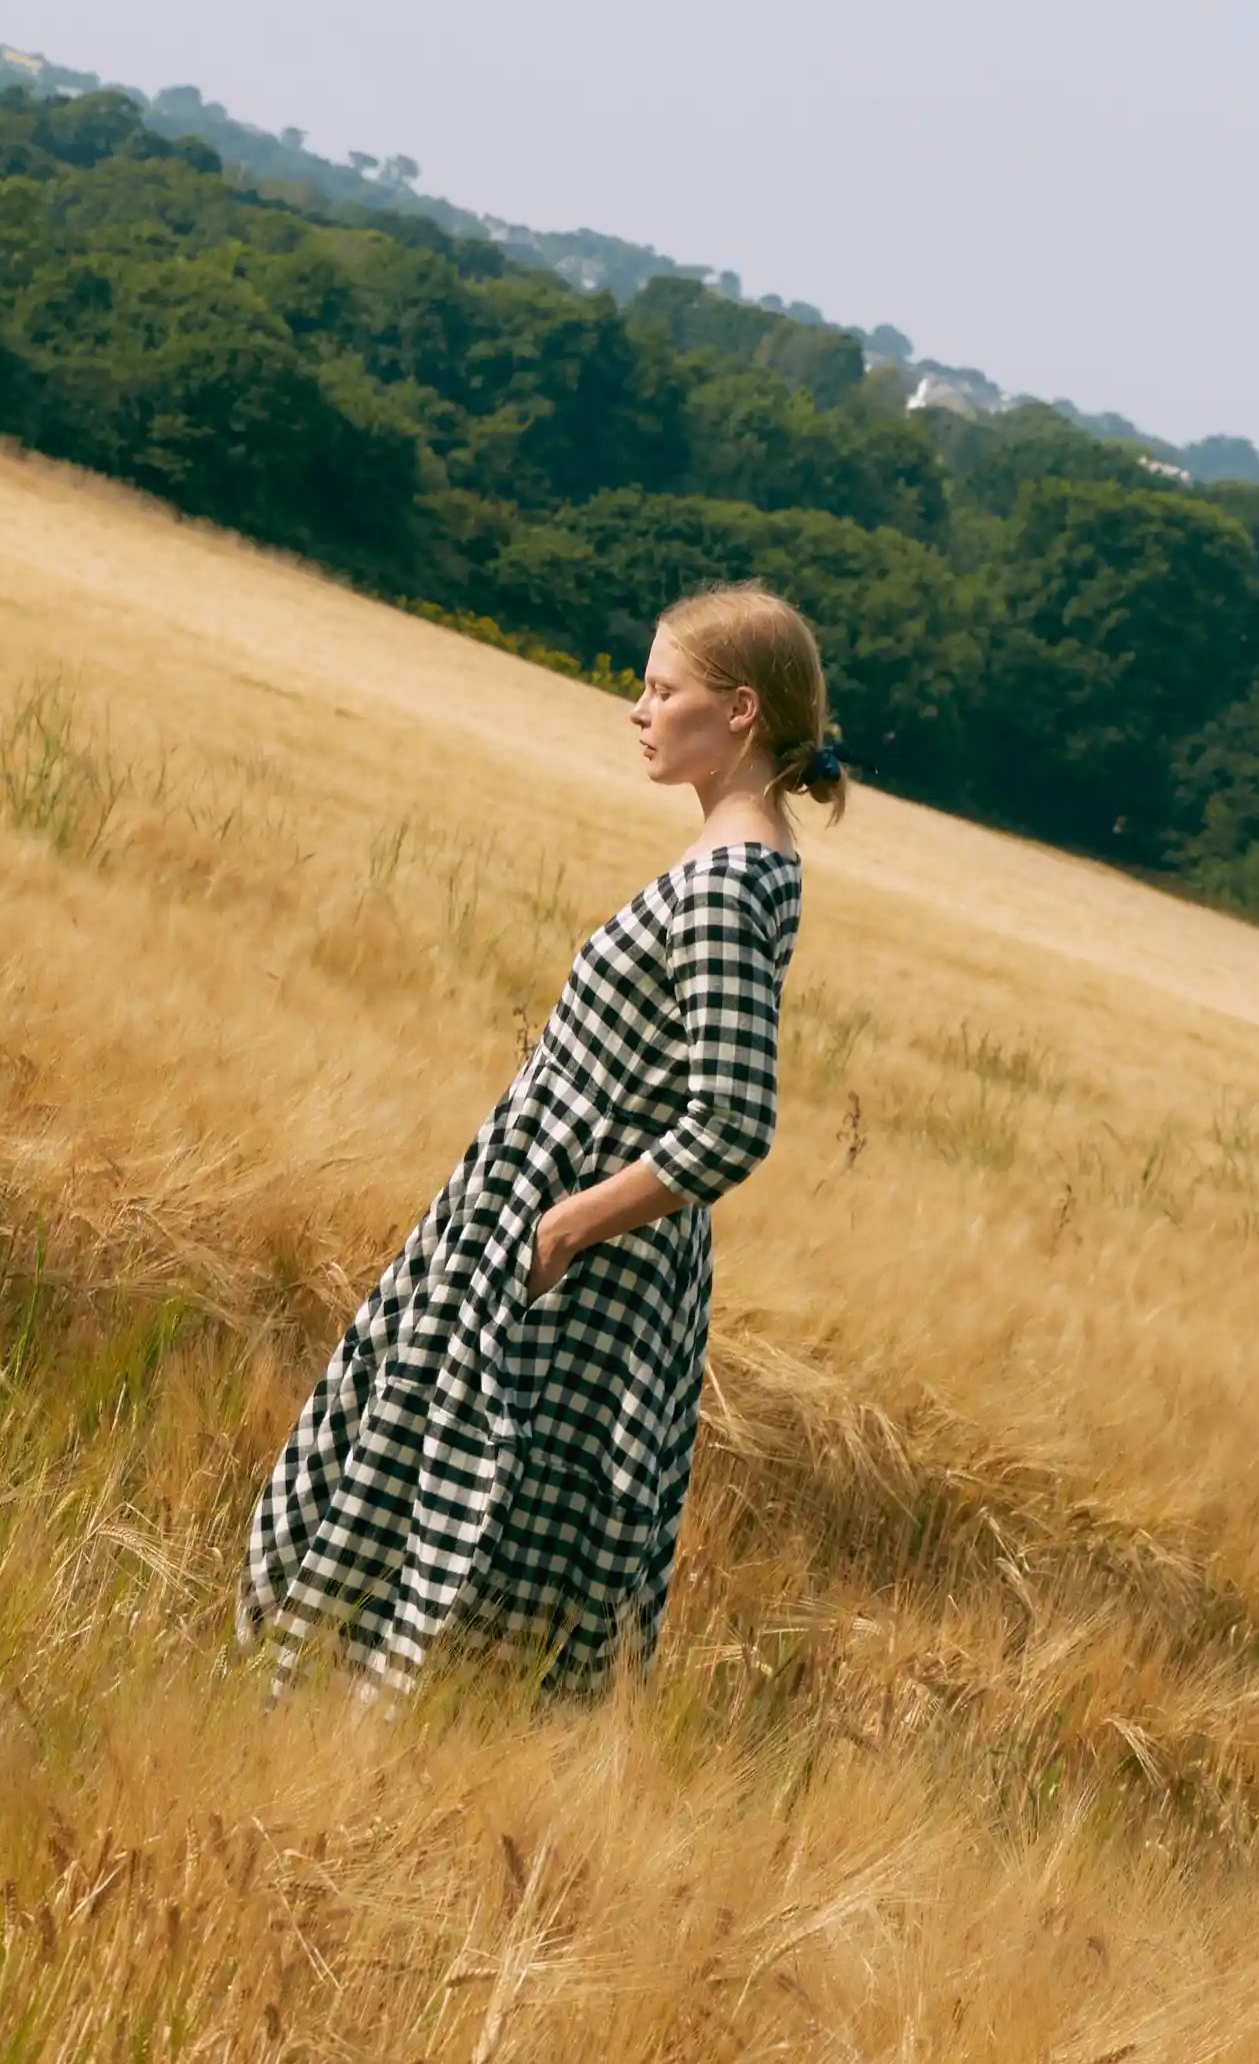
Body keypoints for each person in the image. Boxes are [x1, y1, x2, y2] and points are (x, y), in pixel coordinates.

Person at [240, 585, 835, 1695]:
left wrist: (564, 1223)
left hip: (579, 1269)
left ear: (741, 710)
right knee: (450, 1496)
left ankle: (380, 1733)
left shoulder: (724, 883)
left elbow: (733, 1121)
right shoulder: (749, 862)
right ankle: (372, 1728)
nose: (638, 709)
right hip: (554, 1237)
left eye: (663, 688)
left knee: (475, 1514)